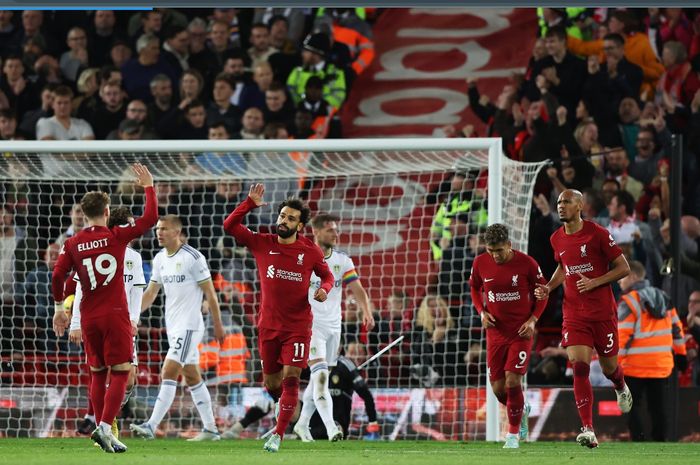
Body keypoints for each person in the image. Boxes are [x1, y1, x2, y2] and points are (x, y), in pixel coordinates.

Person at [51, 163, 157, 453]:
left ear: (84, 214)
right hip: (115, 316)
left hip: (88, 317)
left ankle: (103, 430)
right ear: (107, 212)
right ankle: (104, 427)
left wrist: (59, 308)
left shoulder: (72, 243)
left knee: (97, 373)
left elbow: (58, 276)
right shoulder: (116, 237)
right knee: (121, 372)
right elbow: (150, 218)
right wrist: (148, 186)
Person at [222, 183, 333, 452]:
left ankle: (279, 434)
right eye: (282, 215)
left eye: (291, 218)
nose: (284, 220)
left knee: (292, 378)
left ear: (300, 226)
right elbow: (229, 226)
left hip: (297, 327)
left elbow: (328, 276)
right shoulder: (263, 243)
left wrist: (324, 289)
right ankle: (283, 408)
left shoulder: (310, 251)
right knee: (272, 383)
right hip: (268, 327)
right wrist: (248, 203)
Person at [534, 189, 632, 448]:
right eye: (558, 202)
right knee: (579, 366)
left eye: (566, 201)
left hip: (602, 313)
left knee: (610, 368)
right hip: (574, 314)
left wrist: (596, 282)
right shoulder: (556, 238)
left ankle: (620, 385)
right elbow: (563, 267)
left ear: (580, 204)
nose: (561, 206)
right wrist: (549, 287)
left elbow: (624, 267)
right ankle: (588, 429)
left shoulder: (597, 233)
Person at [130, 215, 225, 441]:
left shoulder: (194, 258)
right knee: (192, 376)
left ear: (177, 232)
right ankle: (211, 429)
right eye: (157, 229)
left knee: (168, 371)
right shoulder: (159, 259)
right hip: (173, 326)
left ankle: (151, 425)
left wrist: (218, 326)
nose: (159, 233)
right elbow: (151, 294)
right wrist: (132, 315)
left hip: (190, 326)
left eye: (164, 229)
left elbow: (210, 294)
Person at [293, 214, 375, 442]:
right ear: (317, 232)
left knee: (321, 378)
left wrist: (366, 310)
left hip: (334, 327)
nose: (336, 234)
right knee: (320, 377)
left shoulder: (343, 260)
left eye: (336, 230)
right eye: (330, 230)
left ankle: (301, 425)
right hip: (310, 327)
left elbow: (357, 288)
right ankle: (332, 429)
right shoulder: (303, 258)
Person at [69, 207, 146, 437]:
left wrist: (134, 319)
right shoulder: (96, 249)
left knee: (129, 378)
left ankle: (105, 421)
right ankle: (104, 425)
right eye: (129, 225)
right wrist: (75, 323)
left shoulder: (135, 257)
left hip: (123, 322)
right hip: (98, 319)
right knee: (101, 373)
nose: (133, 229)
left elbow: (137, 292)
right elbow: (80, 289)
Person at [469, 223, 548, 449]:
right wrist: (481, 312)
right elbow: (475, 288)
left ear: (509, 245)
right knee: (498, 388)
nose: (494, 256)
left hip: (520, 332)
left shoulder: (527, 264)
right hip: (495, 333)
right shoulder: (480, 263)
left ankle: (512, 434)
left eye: (499, 251)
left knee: (513, 379)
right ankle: (520, 410)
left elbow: (543, 293)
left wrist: (533, 320)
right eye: (490, 251)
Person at [617, 260, 686, 442]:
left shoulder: (629, 302)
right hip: (661, 365)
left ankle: (639, 441)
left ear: (632, 276)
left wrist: (615, 364)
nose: (619, 281)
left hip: (634, 365)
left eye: (621, 277)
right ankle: (660, 444)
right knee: (658, 408)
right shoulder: (663, 297)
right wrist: (681, 354)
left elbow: (621, 336)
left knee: (631, 406)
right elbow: (677, 328)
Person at [307, 342, 378, 439]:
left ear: (339, 347)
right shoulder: (313, 363)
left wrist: (372, 421)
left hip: (338, 422)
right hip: (313, 421)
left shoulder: (346, 365)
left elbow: (366, 395)